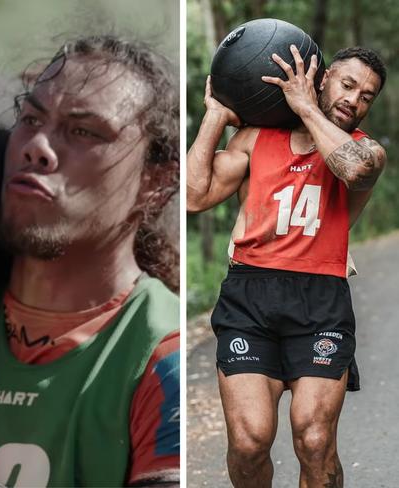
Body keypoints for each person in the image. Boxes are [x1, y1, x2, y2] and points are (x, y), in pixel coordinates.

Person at [0, 35, 180, 487]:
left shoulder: (164, 355)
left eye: (84, 131)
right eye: (30, 118)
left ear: (155, 183)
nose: (37, 146)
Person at [187, 45, 387, 488]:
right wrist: (216, 116)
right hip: (249, 296)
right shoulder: (256, 139)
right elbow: (192, 196)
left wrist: (304, 106)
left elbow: (352, 172)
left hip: (320, 300)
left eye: (367, 95)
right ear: (323, 77)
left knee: (315, 441)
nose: (355, 99)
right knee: (249, 441)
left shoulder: (366, 151)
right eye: (348, 84)